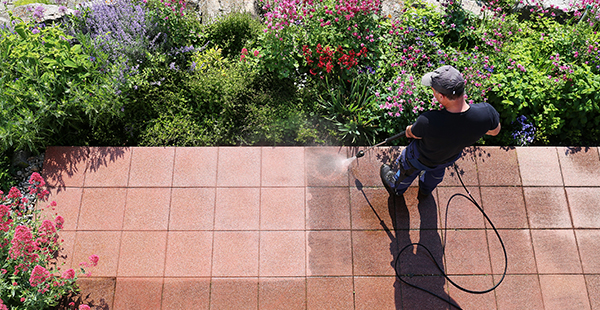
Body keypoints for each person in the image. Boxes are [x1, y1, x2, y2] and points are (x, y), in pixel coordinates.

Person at [380, 65, 501, 199]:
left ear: (441, 96)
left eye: (433, 91)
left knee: (407, 171)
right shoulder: (486, 113)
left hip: (419, 157)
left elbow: (412, 133)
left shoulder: (428, 121)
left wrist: (409, 129)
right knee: (435, 175)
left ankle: (397, 187)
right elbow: (495, 131)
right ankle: (425, 190)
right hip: (447, 158)